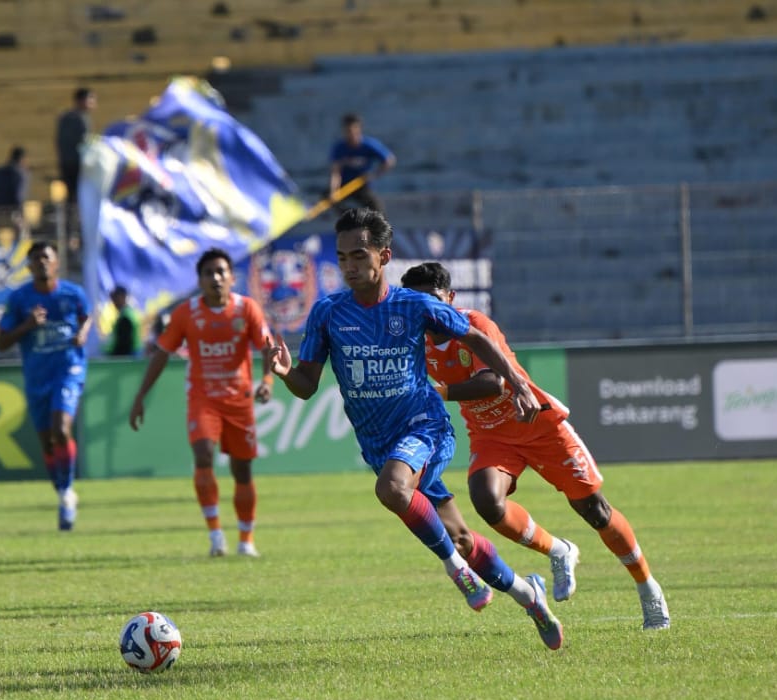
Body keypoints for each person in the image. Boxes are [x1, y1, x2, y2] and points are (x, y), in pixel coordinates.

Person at [269, 207, 564, 650]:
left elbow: (476, 338)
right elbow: (307, 386)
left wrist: (518, 383)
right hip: (379, 443)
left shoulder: (413, 305)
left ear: (384, 256)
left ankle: (457, 573)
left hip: (424, 427)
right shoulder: (327, 313)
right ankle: (530, 596)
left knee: (393, 489)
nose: (350, 266)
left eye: (359, 255)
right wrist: (285, 372)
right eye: (342, 257)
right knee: (461, 537)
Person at [401, 262, 671, 631]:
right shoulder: (414, 339)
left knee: (594, 510)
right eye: (415, 303)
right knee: (486, 502)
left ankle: (647, 587)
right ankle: (558, 550)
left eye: (431, 300)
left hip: (539, 426)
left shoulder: (475, 325)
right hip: (491, 434)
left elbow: (493, 382)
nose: (426, 311)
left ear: (449, 298)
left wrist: (439, 391)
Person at [129, 249, 276, 557]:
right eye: (209, 273)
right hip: (203, 398)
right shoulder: (186, 313)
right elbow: (161, 353)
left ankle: (246, 540)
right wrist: (141, 396)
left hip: (239, 399)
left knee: (242, 472)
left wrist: (267, 380)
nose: (216, 278)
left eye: (221, 272)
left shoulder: (246, 309)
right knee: (203, 455)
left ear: (232, 278)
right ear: (200, 280)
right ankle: (215, 535)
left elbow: (267, 346)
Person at [0, 241, 91, 531]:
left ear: (56, 262)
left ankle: (68, 489)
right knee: (47, 442)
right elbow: (0, 343)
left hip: (68, 369)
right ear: (29, 266)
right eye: (35, 259)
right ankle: (63, 492)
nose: (41, 263)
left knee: (61, 428)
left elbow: (87, 317)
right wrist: (26, 326)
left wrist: (83, 335)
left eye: (46, 258)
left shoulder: (73, 293)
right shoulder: (20, 299)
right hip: (37, 376)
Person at [328, 113, 395, 214]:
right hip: (344, 186)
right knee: (327, 198)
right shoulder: (339, 148)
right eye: (348, 131)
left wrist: (374, 174)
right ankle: (350, 220)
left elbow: (389, 160)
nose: (351, 134)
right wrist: (334, 191)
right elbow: (335, 172)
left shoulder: (369, 145)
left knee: (378, 209)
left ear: (359, 129)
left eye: (353, 130)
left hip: (362, 185)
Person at [55, 87, 96, 205]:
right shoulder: (81, 118)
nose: (93, 104)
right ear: (82, 100)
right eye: (91, 99)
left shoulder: (65, 117)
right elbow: (86, 142)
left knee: (71, 197)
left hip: (66, 163)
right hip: (79, 164)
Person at [0, 146, 30, 243]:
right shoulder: (20, 173)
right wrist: (21, 213)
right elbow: (19, 196)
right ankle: (21, 255)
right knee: (23, 234)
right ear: (23, 159)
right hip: (11, 211)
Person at [107, 285, 143, 357]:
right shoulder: (129, 312)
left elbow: (124, 343)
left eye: (115, 297)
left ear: (123, 297)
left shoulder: (126, 317)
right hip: (134, 353)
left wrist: (114, 356)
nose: (113, 301)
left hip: (130, 355)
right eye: (112, 298)